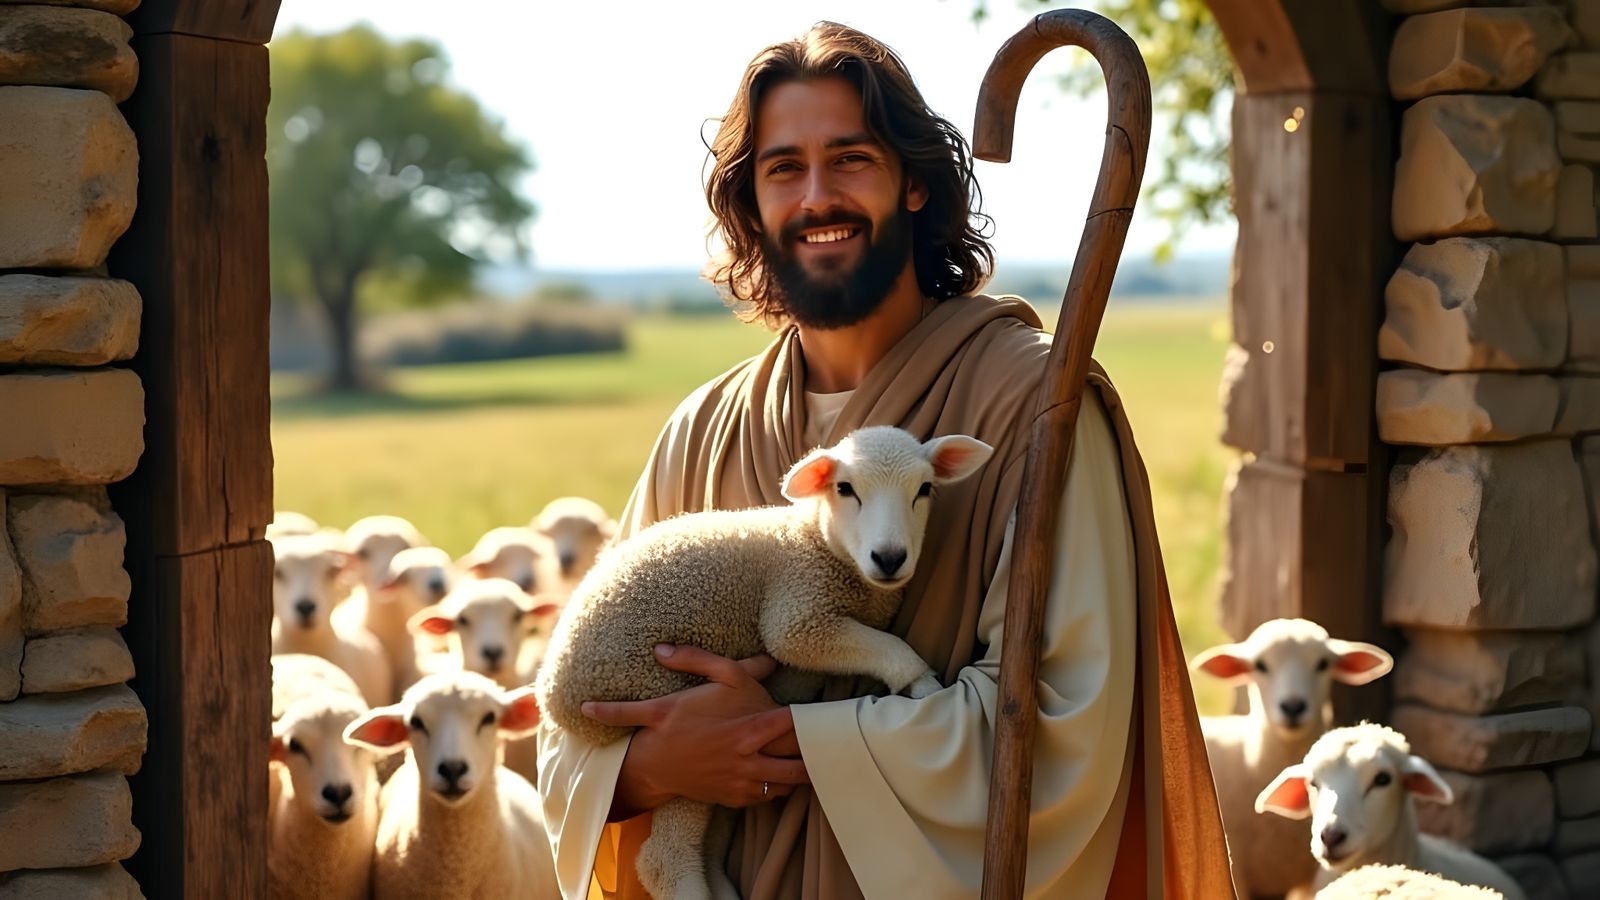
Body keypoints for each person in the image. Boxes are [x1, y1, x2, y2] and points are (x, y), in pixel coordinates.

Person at [536, 22, 1231, 899]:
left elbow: (1062, 729)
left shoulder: (1031, 407)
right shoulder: (703, 428)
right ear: (752, 204)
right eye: (784, 169)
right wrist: (651, 768)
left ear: (912, 184)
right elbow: (576, 718)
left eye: (851, 159)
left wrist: (779, 739)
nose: (817, 196)